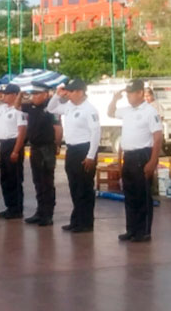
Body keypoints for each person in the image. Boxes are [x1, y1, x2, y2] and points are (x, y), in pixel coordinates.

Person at [108, 79, 163, 243]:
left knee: (142, 195)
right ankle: (131, 229)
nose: (129, 97)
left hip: (142, 155)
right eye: (128, 94)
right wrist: (115, 99)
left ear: (140, 93)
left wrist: (153, 161)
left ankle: (144, 231)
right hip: (129, 157)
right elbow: (110, 113)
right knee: (130, 194)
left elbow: (158, 137)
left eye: (131, 93)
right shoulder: (126, 110)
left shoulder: (149, 111)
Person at [50, 79, 101, 233]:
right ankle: (76, 220)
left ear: (80, 92)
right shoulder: (69, 106)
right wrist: (57, 95)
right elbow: (51, 108)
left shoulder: (89, 109)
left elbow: (95, 133)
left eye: (71, 91)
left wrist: (91, 156)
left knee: (84, 187)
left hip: (84, 150)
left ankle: (86, 222)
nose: (69, 94)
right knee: (74, 186)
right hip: (71, 150)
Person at [21, 81, 61, 226]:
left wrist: (57, 145)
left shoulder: (51, 108)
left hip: (46, 148)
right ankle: (40, 211)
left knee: (46, 182)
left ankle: (47, 214)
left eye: (37, 94)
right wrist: (21, 94)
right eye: (33, 94)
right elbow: (16, 104)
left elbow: (57, 128)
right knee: (37, 181)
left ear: (45, 94)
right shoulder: (31, 107)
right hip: (35, 148)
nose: (34, 97)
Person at [0, 84, 27, 219]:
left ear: (14, 95)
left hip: (13, 144)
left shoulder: (19, 111)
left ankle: (17, 209)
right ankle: (10, 206)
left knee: (14, 178)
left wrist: (16, 151)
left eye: (7, 94)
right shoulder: (2, 109)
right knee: (5, 178)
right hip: (4, 144)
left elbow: (21, 133)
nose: (4, 96)